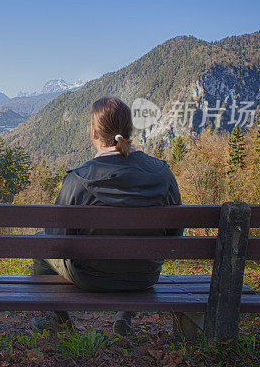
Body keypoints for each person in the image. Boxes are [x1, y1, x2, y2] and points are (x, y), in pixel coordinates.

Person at [31, 97, 182, 337]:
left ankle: (57, 319)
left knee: (41, 242)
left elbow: (56, 241)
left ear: (93, 132)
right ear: (130, 130)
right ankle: (125, 314)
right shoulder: (162, 174)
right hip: (144, 276)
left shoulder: (78, 179)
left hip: (90, 276)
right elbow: (175, 233)